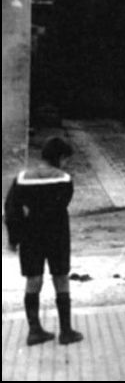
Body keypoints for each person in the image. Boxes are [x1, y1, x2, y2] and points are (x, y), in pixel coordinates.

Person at [4, 137, 84, 346]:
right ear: (60, 157)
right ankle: (66, 332)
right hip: (57, 235)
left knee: (33, 280)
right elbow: (61, 204)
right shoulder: (64, 179)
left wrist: (14, 237)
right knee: (61, 278)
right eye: (65, 159)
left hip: (30, 236)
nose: (66, 164)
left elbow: (11, 210)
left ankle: (34, 331)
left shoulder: (21, 178)